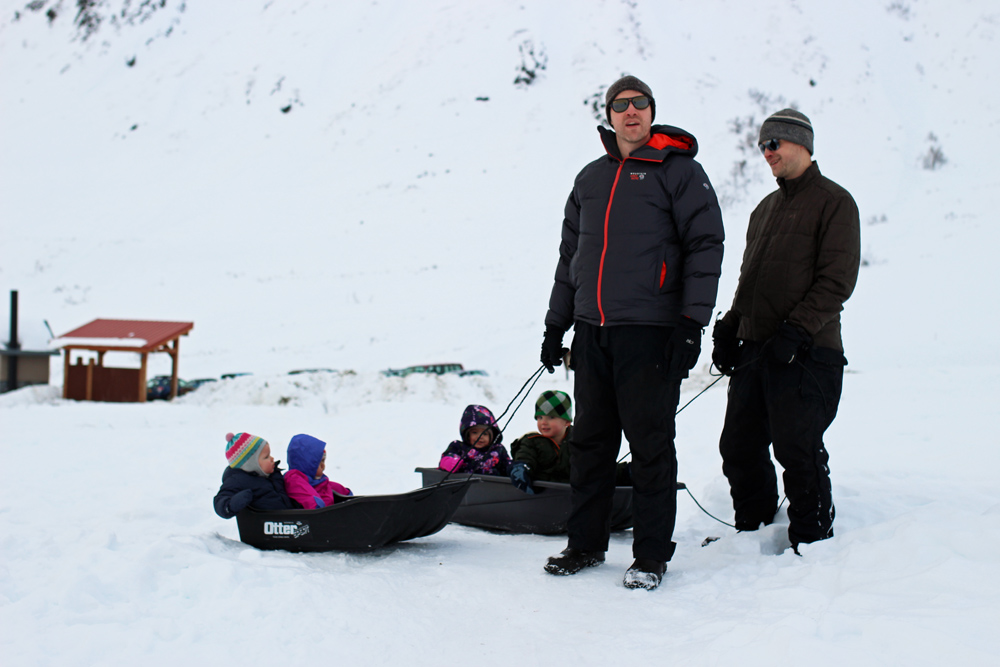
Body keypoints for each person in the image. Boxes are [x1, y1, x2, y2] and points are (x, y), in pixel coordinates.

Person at [539, 75, 724, 590]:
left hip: (651, 331)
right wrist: (558, 325)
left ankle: (649, 556)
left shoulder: (680, 172)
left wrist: (691, 323)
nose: (630, 112)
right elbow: (569, 259)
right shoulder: (590, 179)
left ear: (651, 110)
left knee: (650, 446)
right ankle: (585, 544)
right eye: (620, 106)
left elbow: (706, 246)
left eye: (639, 103)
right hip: (592, 332)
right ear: (609, 116)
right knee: (592, 445)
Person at [711, 108, 860, 552]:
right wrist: (729, 328)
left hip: (808, 352)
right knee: (738, 445)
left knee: (796, 447)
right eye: (761, 146)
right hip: (758, 351)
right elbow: (749, 281)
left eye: (773, 144)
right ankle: (752, 525)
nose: (766, 153)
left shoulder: (835, 202)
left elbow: (836, 281)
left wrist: (796, 330)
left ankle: (812, 537)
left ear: (801, 144)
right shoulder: (765, 210)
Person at [213, 431, 300, 518]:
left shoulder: (273, 475)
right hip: (262, 527)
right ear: (251, 464)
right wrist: (232, 505)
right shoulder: (238, 481)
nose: (272, 458)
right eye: (266, 457)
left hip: (287, 523)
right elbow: (220, 502)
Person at [508, 390, 575, 493]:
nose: (543, 422)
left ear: (567, 421)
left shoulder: (578, 441)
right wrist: (521, 467)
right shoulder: (532, 442)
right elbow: (525, 456)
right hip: (541, 496)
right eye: (540, 417)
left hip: (572, 496)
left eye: (551, 417)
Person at [284, 433, 353, 509]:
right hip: (317, 517)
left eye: (323, 461)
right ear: (309, 464)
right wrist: (318, 507)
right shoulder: (294, 479)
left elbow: (328, 486)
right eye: (319, 463)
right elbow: (308, 497)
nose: (323, 466)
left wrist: (346, 494)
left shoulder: (316, 481)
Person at [438, 404, 511, 476]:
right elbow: (446, 458)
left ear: (491, 437)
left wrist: (515, 469)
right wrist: (450, 463)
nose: (480, 437)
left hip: (492, 486)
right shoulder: (459, 447)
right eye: (474, 432)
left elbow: (508, 465)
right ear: (468, 435)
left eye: (485, 434)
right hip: (465, 486)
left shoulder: (498, 450)